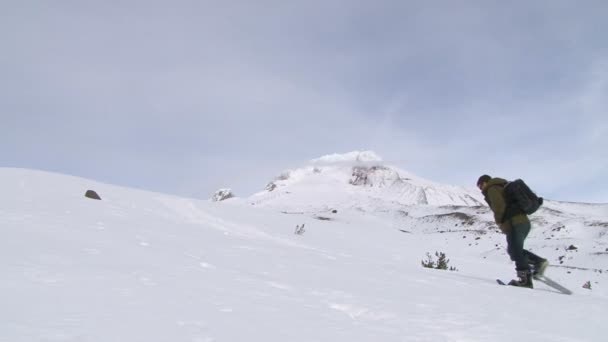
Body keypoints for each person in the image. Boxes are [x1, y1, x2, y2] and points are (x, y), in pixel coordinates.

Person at [477, 174, 549, 288]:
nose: (480, 188)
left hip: (515, 223)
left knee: (515, 251)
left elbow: (499, 206)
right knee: (513, 251)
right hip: (521, 223)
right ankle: (537, 263)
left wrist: (499, 221)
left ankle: (526, 279)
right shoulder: (501, 186)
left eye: (480, 185)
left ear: (485, 182)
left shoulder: (491, 188)